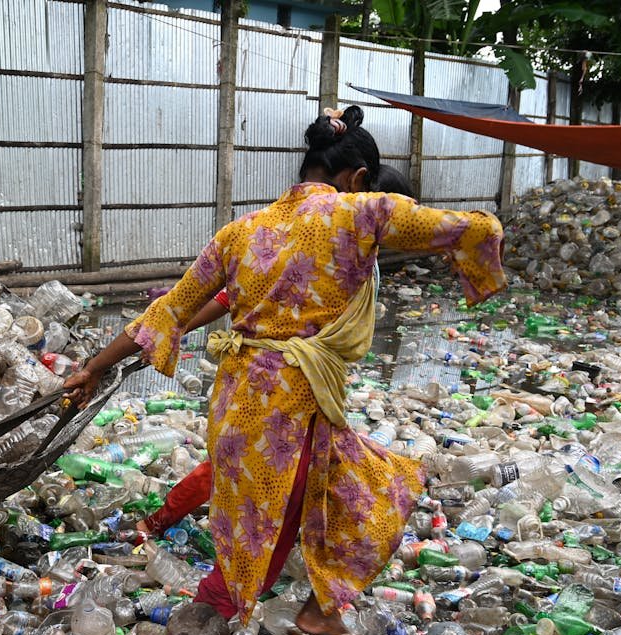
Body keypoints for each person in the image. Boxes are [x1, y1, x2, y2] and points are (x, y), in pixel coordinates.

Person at [64, 106, 506, 635]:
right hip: (289, 409)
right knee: (288, 528)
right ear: (358, 178)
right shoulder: (361, 213)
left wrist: (95, 366)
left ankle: (311, 616)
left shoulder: (241, 232)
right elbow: (472, 226)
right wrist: (483, 268)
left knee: (285, 516)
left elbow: (167, 312)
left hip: (239, 403)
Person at [137, 164, 417, 540]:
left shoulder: (359, 254)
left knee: (302, 467)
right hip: (277, 381)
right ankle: (173, 532)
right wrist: (173, 329)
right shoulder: (328, 241)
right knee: (237, 465)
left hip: (314, 384)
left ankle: (303, 550)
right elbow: (228, 296)